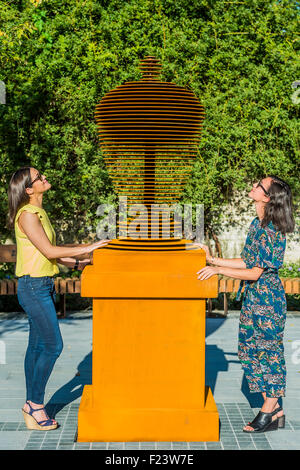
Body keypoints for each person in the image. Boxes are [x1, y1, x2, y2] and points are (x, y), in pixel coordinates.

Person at [6, 167, 111, 431]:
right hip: (33, 287)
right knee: (53, 346)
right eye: (38, 177)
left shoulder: (38, 213)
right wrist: (90, 247)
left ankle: (31, 405)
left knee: (37, 347)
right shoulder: (28, 215)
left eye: (41, 175)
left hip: (40, 285)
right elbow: (49, 249)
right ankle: (35, 404)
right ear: (29, 190)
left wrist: (79, 264)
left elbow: (49, 256)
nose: (43, 178)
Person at [195, 175, 295, 433]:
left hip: (268, 301)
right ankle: (275, 409)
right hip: (252, 299)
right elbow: (246, 262)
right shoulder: (256, 224)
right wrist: (213, 261)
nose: (252, 187)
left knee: (270, 354)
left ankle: (267, 410)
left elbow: (255, 272)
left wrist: (217, 272)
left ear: (267, 197)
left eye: (258, 186)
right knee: (248, 352)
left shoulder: (273, 229)